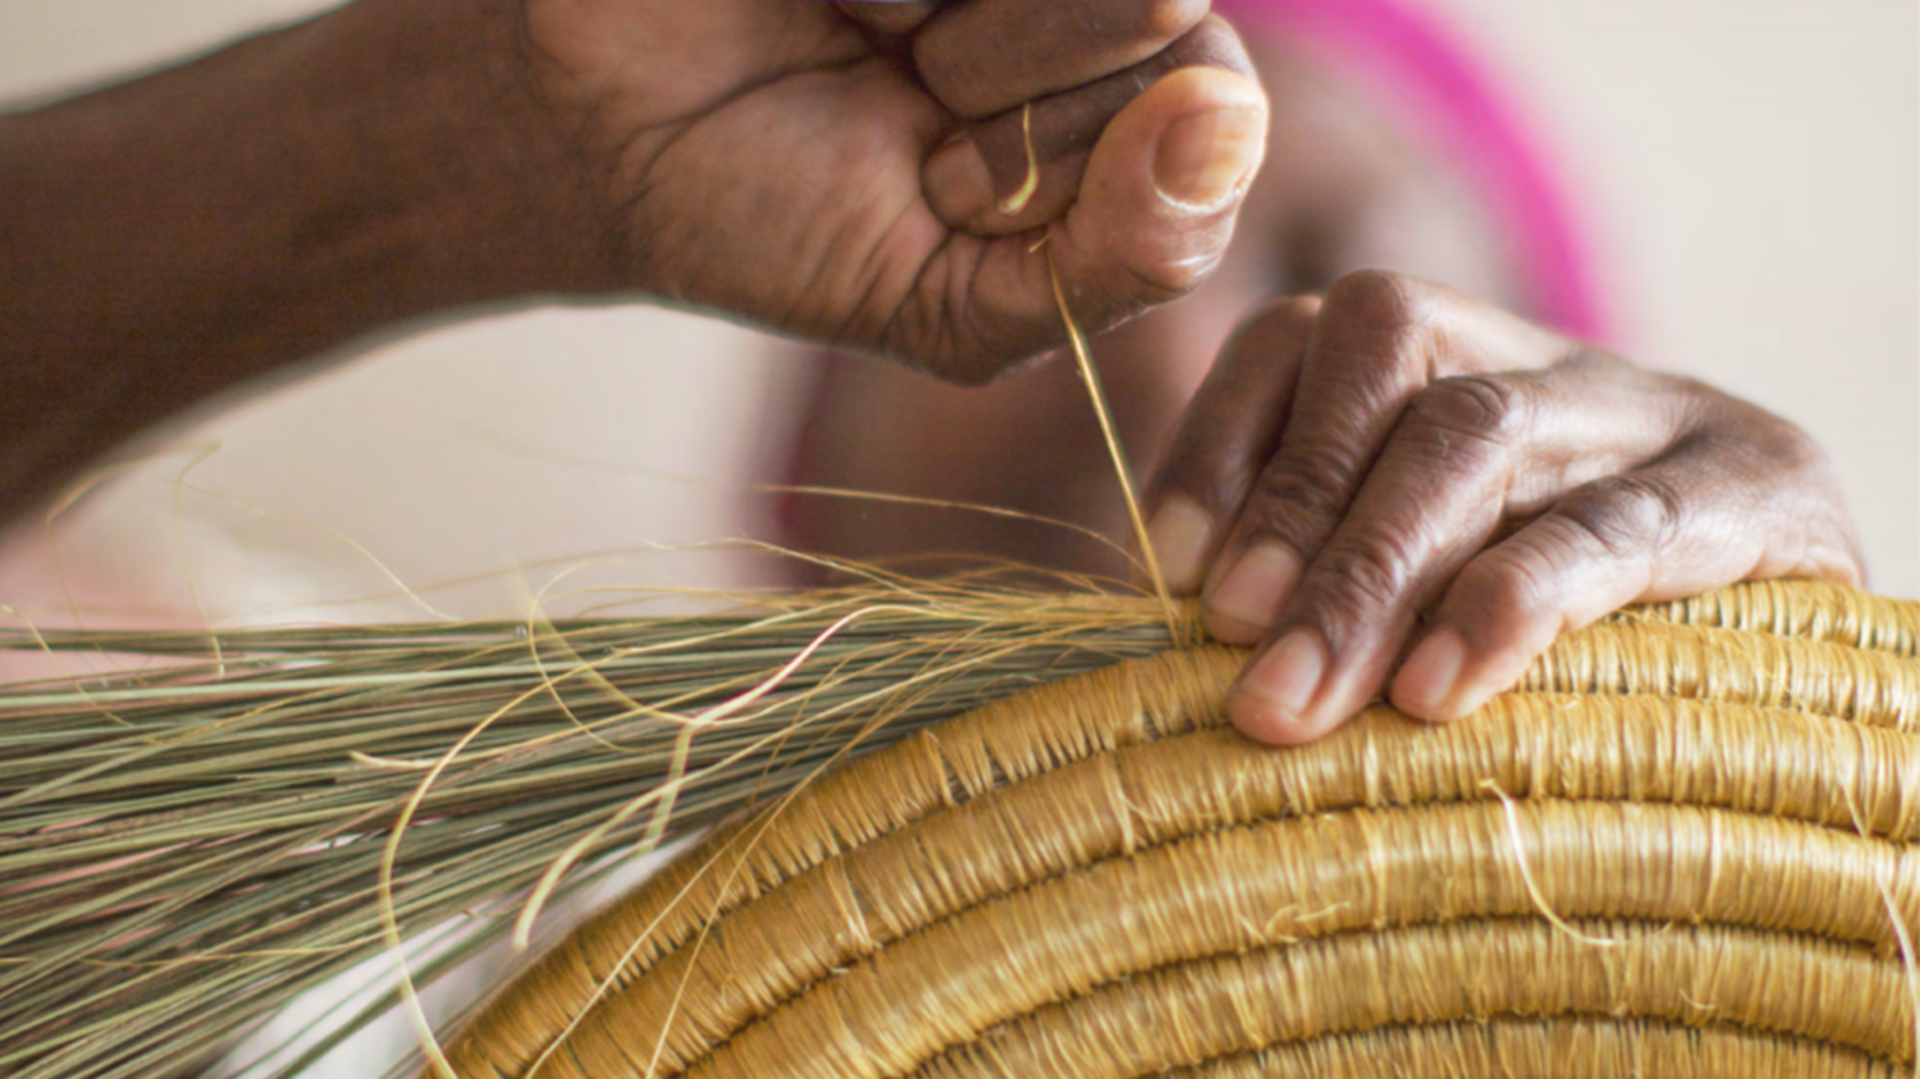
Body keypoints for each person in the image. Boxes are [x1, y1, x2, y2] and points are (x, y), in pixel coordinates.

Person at [0, 0, 1862, 747]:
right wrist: (482, 131)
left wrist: (1821, 787)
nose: (1176, 395)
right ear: (816, 461)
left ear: (1570, 447)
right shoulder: (400, 901)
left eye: (1332, 274)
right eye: (1065, 280)